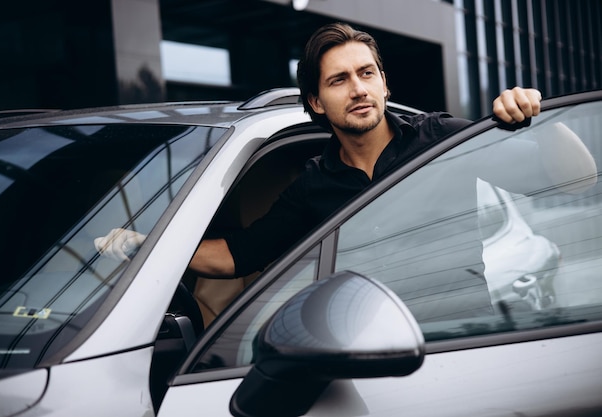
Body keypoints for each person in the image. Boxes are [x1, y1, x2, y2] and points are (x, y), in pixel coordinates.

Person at [95, 23, 543, 283]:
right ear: (314, 101)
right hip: (365, 350)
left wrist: (528, 113)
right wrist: (147, 246)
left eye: (367, 73)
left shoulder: (441, 138)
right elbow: (240, 254)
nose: (358, 89)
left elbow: (571, 175)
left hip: (463, 339)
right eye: (338, 80)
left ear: (384, 83)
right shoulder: (313, 184)